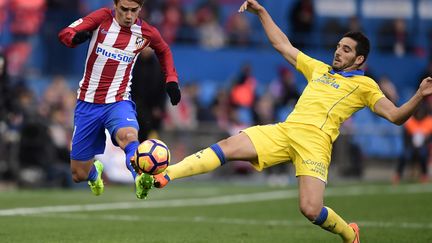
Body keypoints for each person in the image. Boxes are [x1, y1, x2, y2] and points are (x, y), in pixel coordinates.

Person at [138, 0, 432, 242]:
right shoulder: (319, 69)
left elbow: (394, 116)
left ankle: (348, 232)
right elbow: (283, 45)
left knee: (310, 209)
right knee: (228, 146)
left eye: (346, 50)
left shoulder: (366, 86)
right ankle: (167, 174)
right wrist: (263, 12)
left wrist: (419, 95)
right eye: (338, 46)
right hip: (285, 131)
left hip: (315, 145)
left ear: (359, 60)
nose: (338, 52)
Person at [58, 0, 181, 199]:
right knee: (78, 174)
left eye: (134, 10)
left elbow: (164, 50)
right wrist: (75, 38)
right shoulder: (101, 18)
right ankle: (94, 173)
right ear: (115, 6)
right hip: (88, 103)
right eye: (124, 9)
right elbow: (65, 33)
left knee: (128, 137)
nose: (129, 15)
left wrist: (172, 80)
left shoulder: (146, 32)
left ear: (140, 9)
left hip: (118, 100)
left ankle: (139, 178)